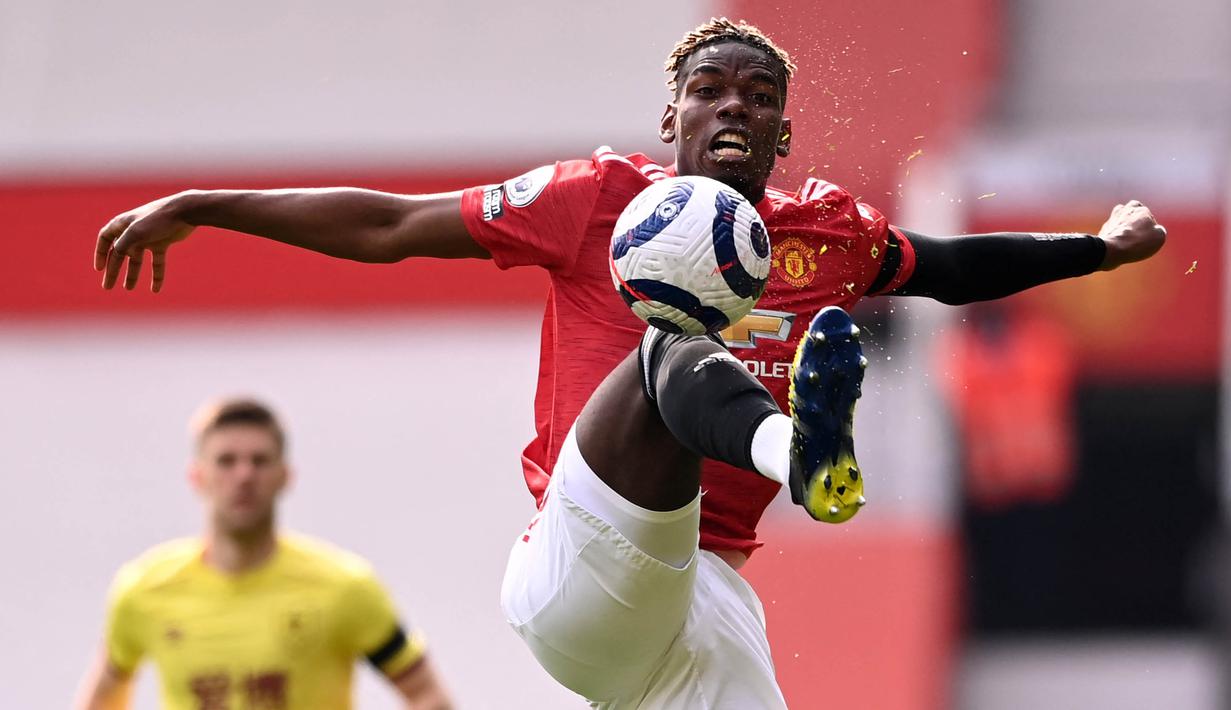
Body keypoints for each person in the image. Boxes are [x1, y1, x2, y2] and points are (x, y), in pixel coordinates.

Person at [92, 18, 1165, 707]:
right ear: (672, 117)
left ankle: (801, 451)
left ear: (783, 132)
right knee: (674, 341)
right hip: (580, 558)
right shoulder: (592, 200)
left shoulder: (825, 233)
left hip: (704, 601)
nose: (732, 105)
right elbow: (390, 225)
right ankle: (802, 451)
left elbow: (945, 265)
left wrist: (1093, 249)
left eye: (755, 95)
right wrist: (202, 204)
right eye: (710, 90)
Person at [75, 398, 452, 710]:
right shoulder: (144, 590)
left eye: (259, 461)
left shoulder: (344, 586)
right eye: (226, 461)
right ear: (197, 476)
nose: (243, 475)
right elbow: (102, 697)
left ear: (285, 476)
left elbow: (427, 696)